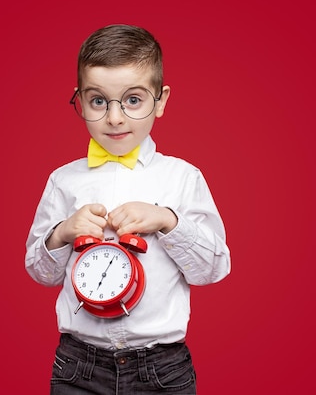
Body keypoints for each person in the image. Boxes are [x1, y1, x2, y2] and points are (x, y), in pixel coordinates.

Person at [25, 24, 231, 394]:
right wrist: (62, 232)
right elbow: (40, 273)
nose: (115, 118)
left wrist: (169, 221)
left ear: (161, 100)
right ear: (80, 100)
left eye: (133, 100)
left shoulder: (183, 177)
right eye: (99, 101)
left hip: (162, 369)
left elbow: (213, 269)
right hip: (79, 367)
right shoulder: (63, 181)